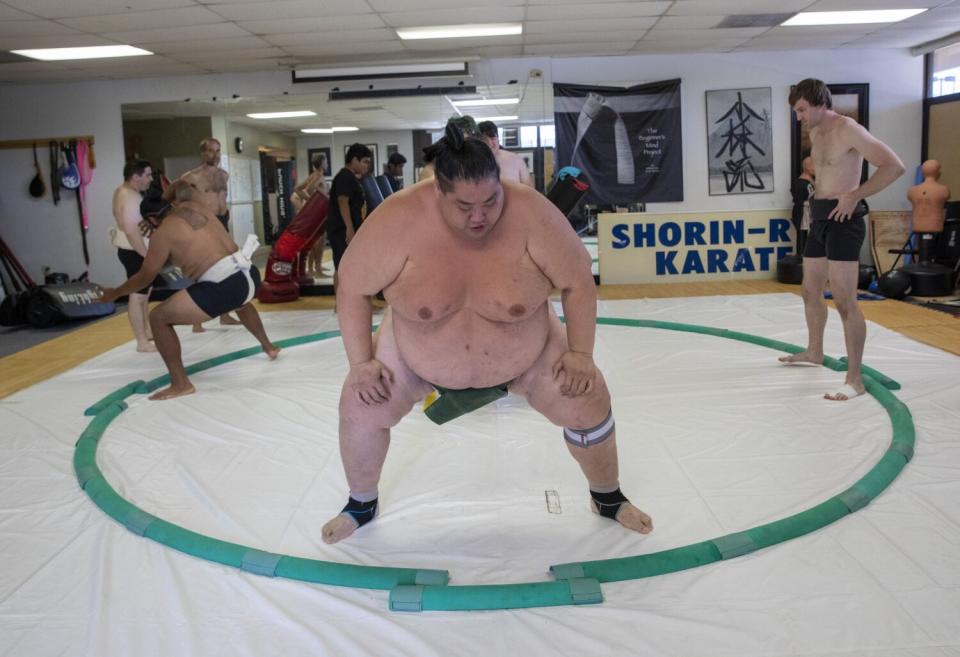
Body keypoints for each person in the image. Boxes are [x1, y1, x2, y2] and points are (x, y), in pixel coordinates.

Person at [320, 121, 653, 544]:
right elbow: (352, 286)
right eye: (464, 206)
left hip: (528, 354)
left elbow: (577, 281)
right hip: (413, 353)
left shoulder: (533, 213)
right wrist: (361, 363)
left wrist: (581, 354)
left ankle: (607, 497)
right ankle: (360, 503)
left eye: (491, 201)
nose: (479, 216)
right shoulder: (396, 220)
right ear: (437, 190)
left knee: (587, 393)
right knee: (360, 399)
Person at [780, 78, 905, 401]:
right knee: (810, 290)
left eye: (802, 109)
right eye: (796, 111)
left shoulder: (849, 129)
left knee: (845, 301)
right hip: (820, 218)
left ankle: (855, 379)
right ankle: (815, 351)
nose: (799, 117)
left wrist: (854, 196)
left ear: (819, 102)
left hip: (844, 221)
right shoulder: (815, 132)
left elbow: (894, 166)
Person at [98, 182, 279, 401]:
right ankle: (268, 347)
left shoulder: (161, 234)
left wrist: (115, 293)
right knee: (238, 300)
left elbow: (144, 278)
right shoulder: (196, 206)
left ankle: (181, 383)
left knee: (158, 317)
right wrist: (162, 202)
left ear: (151, 220)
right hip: (249, 274)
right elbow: (181, 184)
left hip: (225, 284)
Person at [165, 137, 241, 331]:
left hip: (221, 222)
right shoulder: (190, 177)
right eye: (210, 151)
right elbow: (169, 196)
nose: (214, 155)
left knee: (228, 267)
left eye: (217, 150)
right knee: (202, 268)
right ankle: (196, 319)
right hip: (203, 223)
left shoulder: (224, 175)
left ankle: (225, 314)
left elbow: (221, 199)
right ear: (202, 153)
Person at [111, 159, 156, 352]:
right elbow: (130, 230)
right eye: (148, 175)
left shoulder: (124, 191)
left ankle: (146, 331)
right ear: (136, 176)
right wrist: (146, 255)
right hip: (134, 251)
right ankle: (141, 342)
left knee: (144, 294)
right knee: (137, 296)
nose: (151, 179)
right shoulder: (129, 197)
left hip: (134, 250)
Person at [327, 143, 372, 289]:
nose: (367, 166)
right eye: (365, 161)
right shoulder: (344, 176)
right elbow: (342, 201)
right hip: (341, 230)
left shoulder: (352, 177)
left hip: (348, 228)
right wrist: (349, 229)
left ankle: (351, 305)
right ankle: (341, 305)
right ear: (354, 160)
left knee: (352, 267)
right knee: (342, 267)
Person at [291, 152, 330, 277]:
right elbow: (308, 189)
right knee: (319, 240)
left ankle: (313, 268)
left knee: (317, 240)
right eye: (326, 161)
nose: (327, 163)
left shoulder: (314, 175)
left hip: (319, 211)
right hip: (317, 211)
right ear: (322, 163)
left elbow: (297, 188)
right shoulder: (318, 175)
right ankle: (317, 269)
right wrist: (312, 200)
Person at [478, 120, 535, 187]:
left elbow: (530, 191)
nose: (489, 143)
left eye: (493, 138)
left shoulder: (516, 160)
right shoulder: (473, 164)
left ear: (498, 139)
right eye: (484, 139)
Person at [907, 160, 950, 236]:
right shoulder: (944, 190)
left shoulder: (912, 191)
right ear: (938, 172)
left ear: (923, 173)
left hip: (918, 224)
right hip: (935, 225)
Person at [790, 156, 815, 255]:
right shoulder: (801, 183)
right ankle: (801, 254)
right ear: (808, 168)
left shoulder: (810, 182)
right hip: (803, 213)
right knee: (802, 235)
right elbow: (798, 199)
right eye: (815, 166)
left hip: (809, 211)